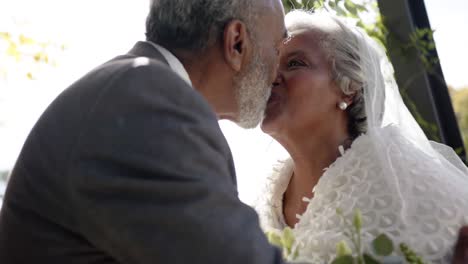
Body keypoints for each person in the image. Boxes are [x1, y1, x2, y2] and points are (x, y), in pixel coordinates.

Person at [0, 0, 289, 263]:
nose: (278, 74)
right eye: (278, 49)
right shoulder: (149, 97)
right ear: (236, 43)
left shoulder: (132, 87)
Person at [255, 10, 468, 263]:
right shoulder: (260, 209)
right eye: (269, 65)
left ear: (349, 89)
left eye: (294, 63)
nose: (270, 78)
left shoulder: (405, 185)